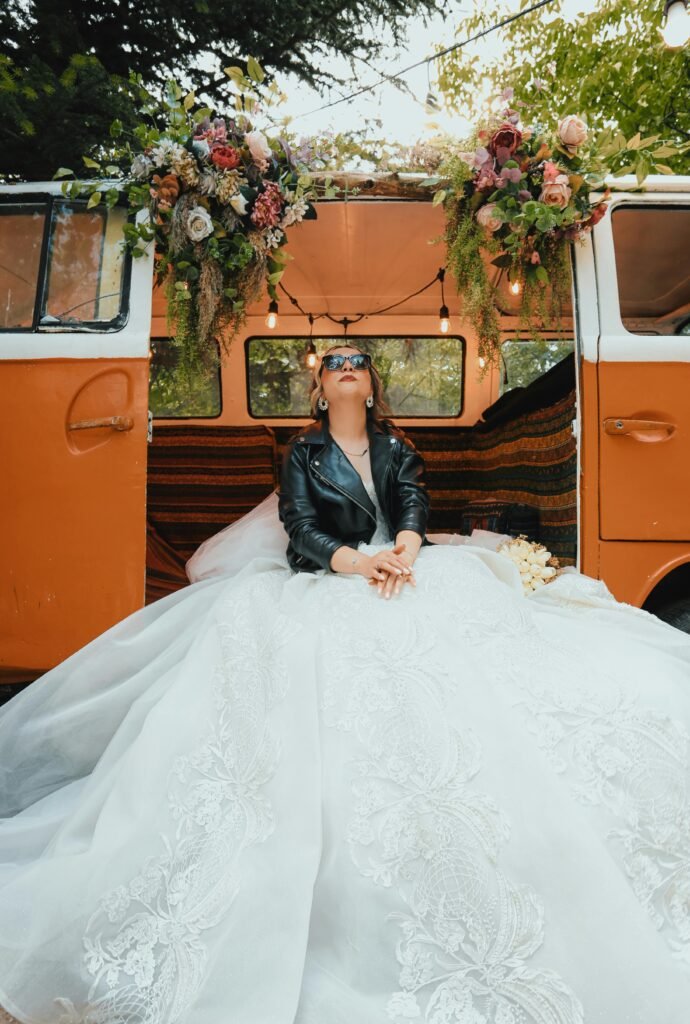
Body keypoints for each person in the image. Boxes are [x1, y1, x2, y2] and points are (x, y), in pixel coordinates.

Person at [1, 344, 690, 1024]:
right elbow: (299, 528)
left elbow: (415, 506)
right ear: (323, 391)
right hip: (331, 575)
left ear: (371, 383)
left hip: (405, 565)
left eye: (357, 361)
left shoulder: (396, 446)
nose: (347, 367)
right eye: (334, 364)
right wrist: (357, 568)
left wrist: (404, 554)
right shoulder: (303, 453)